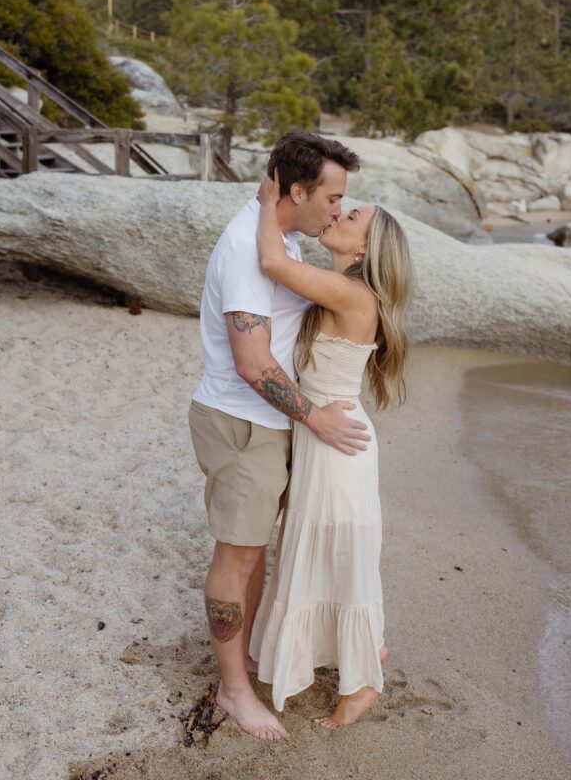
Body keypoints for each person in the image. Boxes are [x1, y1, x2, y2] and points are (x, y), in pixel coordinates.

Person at [188, 131, 369, 742]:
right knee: (237, 555)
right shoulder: (248, 245)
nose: (339, 208)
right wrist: (314, 417)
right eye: (334, 195)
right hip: (245, 422)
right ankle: (233, 689)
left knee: (253, 550)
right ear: (297, 190)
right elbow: (252, 361)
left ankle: (249, 663)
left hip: (270, 423)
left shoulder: (279, 235)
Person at [248, 170, 412, 727]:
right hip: (326, 437)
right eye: (342, 207)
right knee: (328, 558)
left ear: (364, 246)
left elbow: (272, 263)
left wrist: (271, 201)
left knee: (344, 563)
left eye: (352, 215)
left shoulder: (350, 291)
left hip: (338, 445)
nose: (339, 214)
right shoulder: (339, 286)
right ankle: (361, 656)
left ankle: (362, 683)